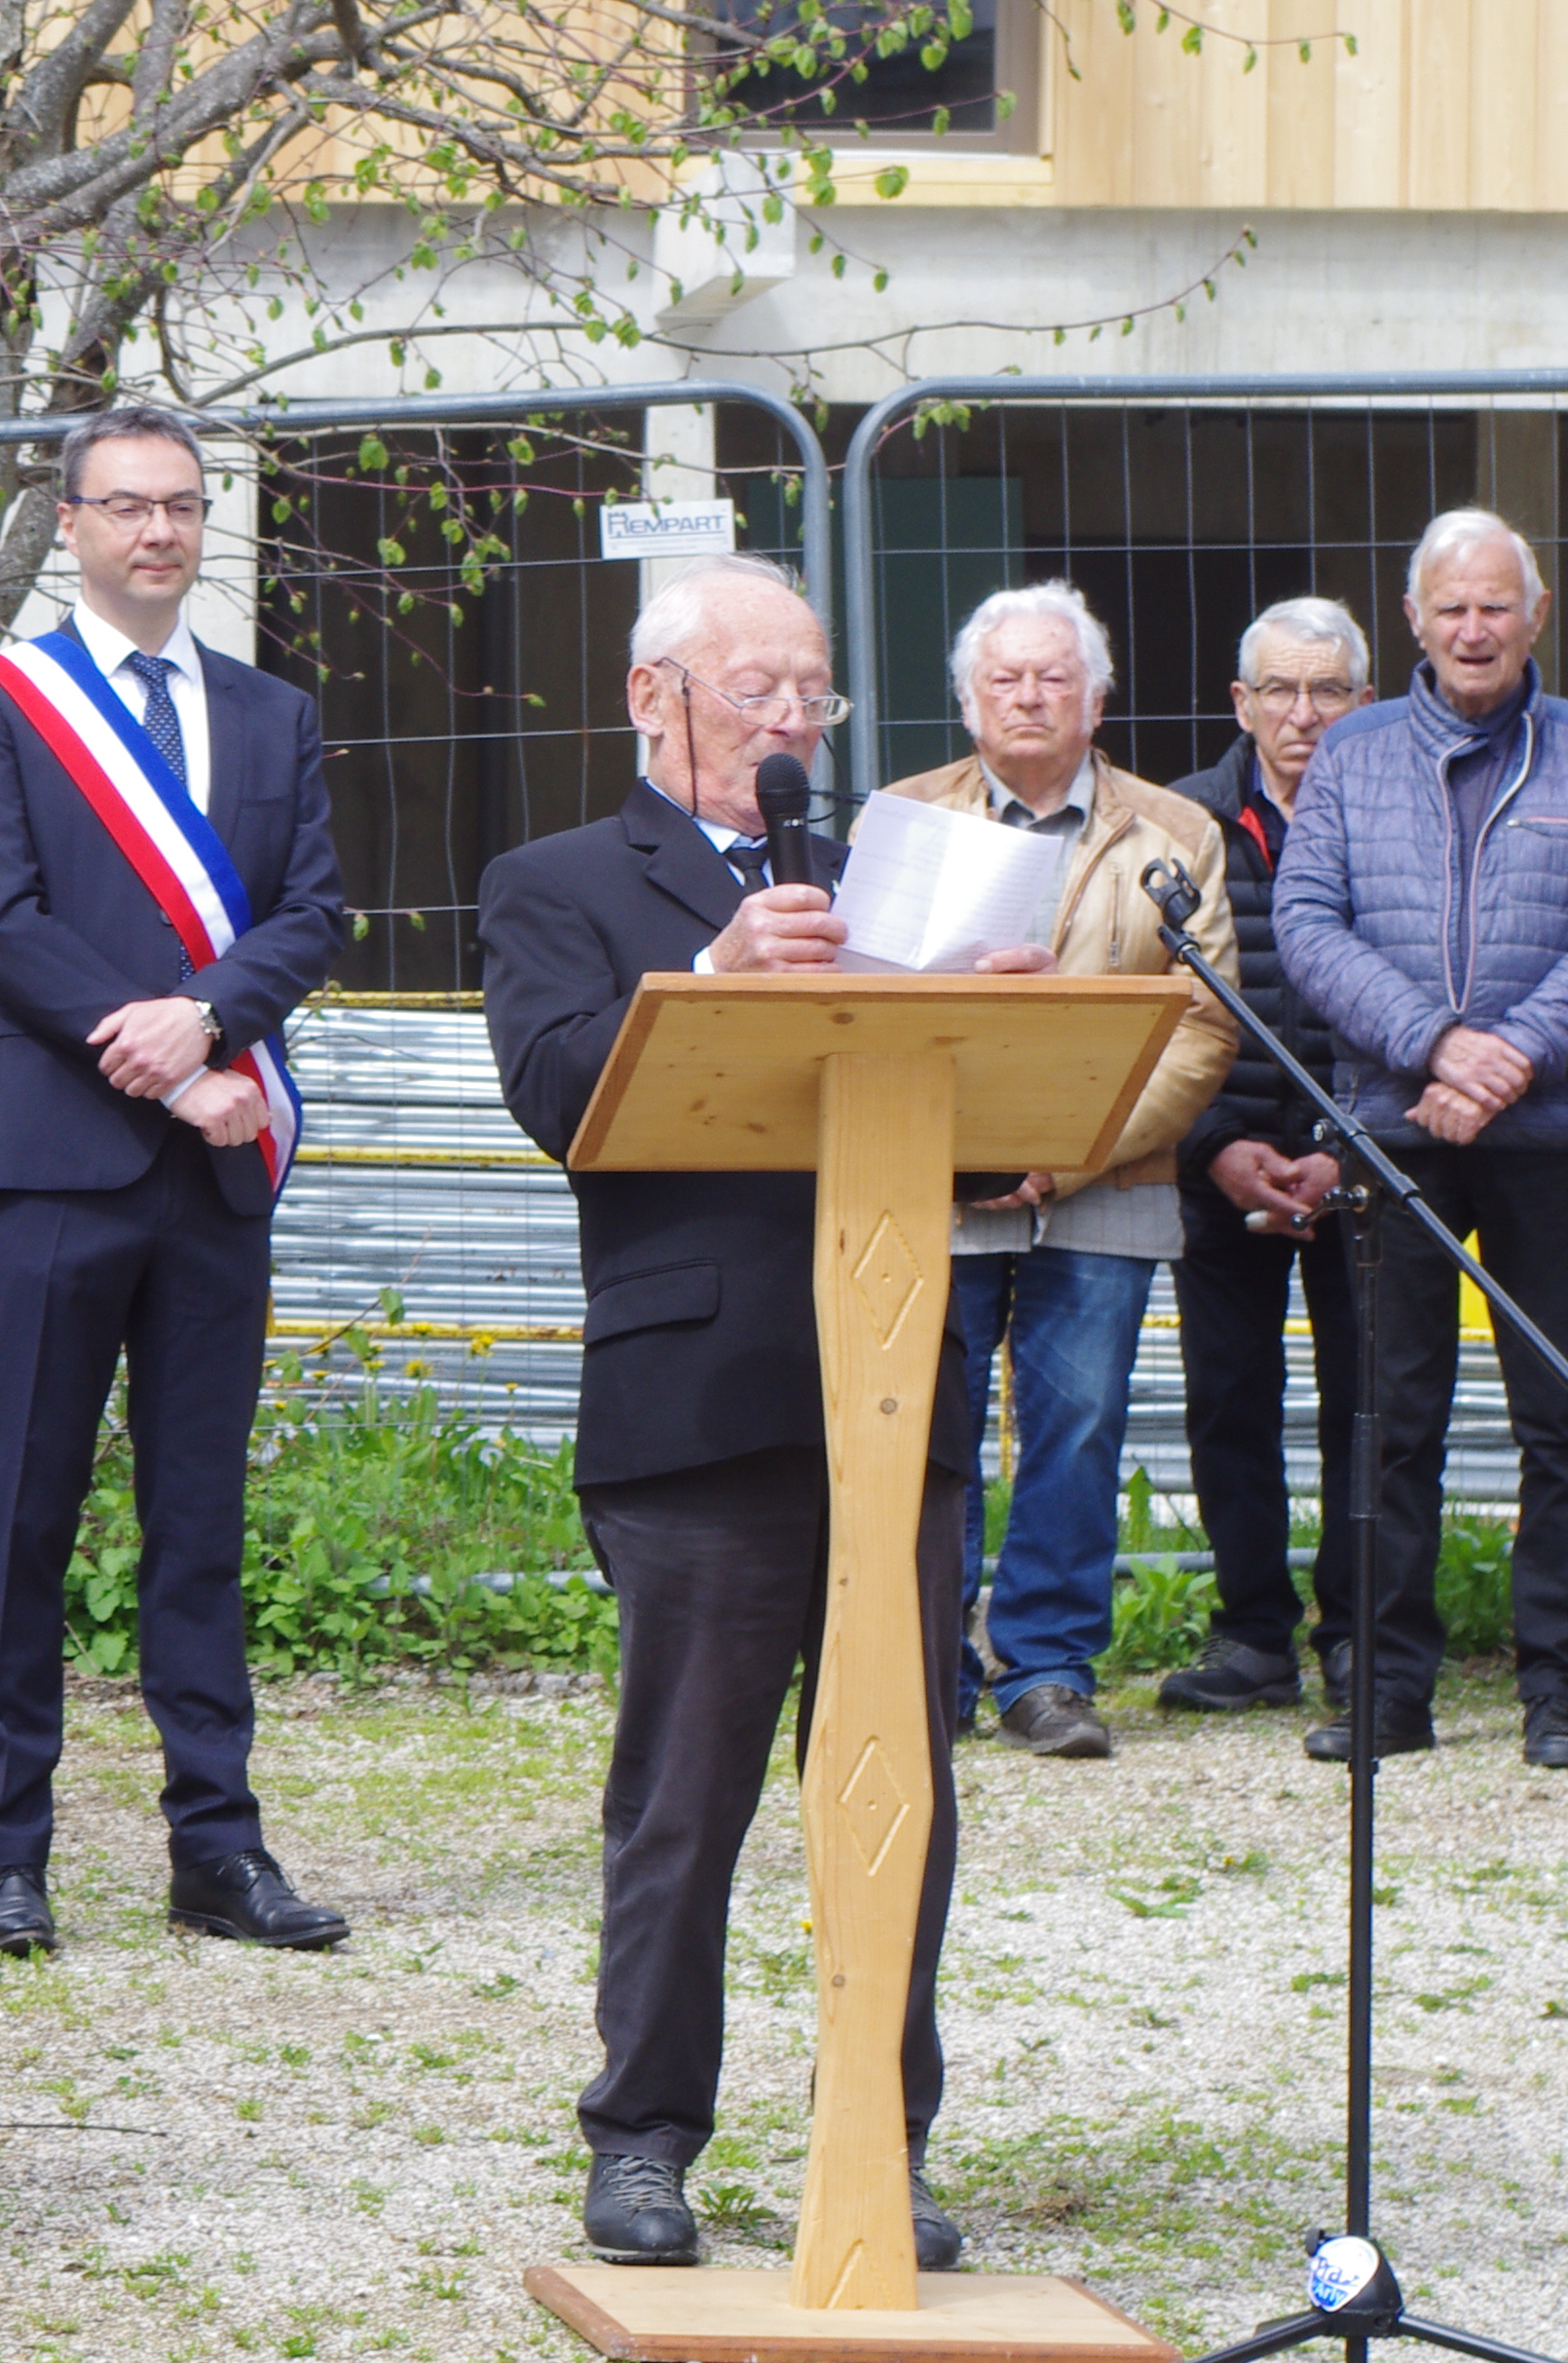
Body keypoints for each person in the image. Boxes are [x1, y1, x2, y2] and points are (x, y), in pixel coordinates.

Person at [475, 554, 981, 2276]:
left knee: (899, 1784)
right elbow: (558, 1092)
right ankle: (641, 2138)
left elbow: (968, 1136)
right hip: (699, 1396)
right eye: (753, 685)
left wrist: (990, 1028)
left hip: (892, 1386)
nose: (787, 719)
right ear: (650, 695)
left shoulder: (874, 881)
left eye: (810, 690)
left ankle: (874, 2138)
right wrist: (709, 961)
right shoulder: (553, 880)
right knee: (684, 1796)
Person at [0, 402, 347, 1966]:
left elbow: (310, 914)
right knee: (24, 1514)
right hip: (63, 1162)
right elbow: (7, 920)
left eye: (179, 506)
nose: (156, 532)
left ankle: (216, 1849)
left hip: (217, 1170)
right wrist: (177, 1056)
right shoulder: (3, 704)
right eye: (125, 507)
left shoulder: (271, 712)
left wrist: (219, 1018)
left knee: (199, 1520)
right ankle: (11, 1852)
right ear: (72, 525)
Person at [1273, 506, 1568, 1773]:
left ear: (1536, 615)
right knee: (1392, 1416)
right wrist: (1439, 1043)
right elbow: (1309, 926)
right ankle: (1389, 1689)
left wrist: (1508, 1061)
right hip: (1397, 1129)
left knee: (1561, 1413)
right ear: (1413, 623)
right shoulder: (1351, 754)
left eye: (1497, 604)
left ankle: (1560, 1688)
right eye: (1451, 607)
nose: (1475, 628)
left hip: (1556, 1130)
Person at [883, 582, 1235, 1761]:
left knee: (1077, 1424)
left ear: (1096, 696)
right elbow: (865, 1000)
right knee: (929, 1418)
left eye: (1051, 677)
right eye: (1003, 678)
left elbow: (1200, 1027)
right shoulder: (903, 816)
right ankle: (925, 1659)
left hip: (1109, 1181)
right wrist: (971, 1145)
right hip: (939, 1176)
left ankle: (1043, 1668)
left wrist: (1067, 1150)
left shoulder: (1172, 832)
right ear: (967, 699)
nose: (1027, 697)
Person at [1156, 597, 1374, 1716]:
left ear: (1363, 701)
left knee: (1366, 1401)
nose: (1302, 714)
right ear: (1239, 704)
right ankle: (1250, 1635)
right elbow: (1150, 1003)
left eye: (1326, 689)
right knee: (1227, 1399)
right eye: (1278, 691)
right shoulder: (1180, 823)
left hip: (1361, 1166)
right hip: (1216, 1159)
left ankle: (1356, 1632)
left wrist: (1349, 1149)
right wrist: (1213, 1146)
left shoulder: (1396, 820)